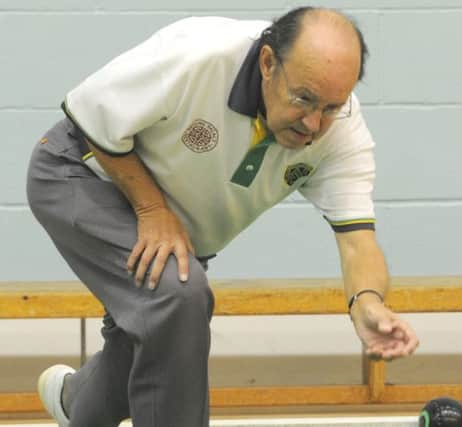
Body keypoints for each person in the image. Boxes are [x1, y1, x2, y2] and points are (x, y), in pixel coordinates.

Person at [27, 6, 419, 427]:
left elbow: (358, 241)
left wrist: (367, 301)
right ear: (268, 63)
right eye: (303, 98)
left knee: (159, 338)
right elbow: (92, 113)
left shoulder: (342, 130)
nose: (312, 122)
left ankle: (74, 403)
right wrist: (152, 209)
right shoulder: (200, 54)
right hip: (81, 172)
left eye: (330, 107)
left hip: (175, 226)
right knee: (178, 295)